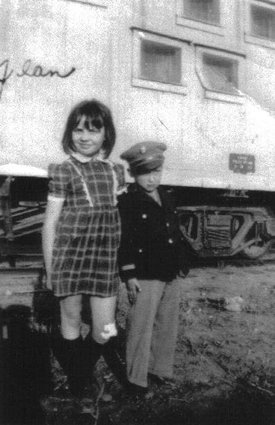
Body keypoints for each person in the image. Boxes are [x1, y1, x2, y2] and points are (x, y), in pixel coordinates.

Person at [42, 99, 126, 400]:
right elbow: (50, 224)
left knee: (105, 328)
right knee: (72, 318)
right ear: (70, 133)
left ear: (106, 133)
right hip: (70, 255)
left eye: (93, 129)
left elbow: (123, 218)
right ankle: (81, 386)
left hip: (104, 256)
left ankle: (78, 372)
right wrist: (51, 270)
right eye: (78, 129)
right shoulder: (62, 170)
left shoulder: (115, 171)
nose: (85, 136)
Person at [118, 141, 189, 395]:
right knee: (141, 327)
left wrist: (181, 263)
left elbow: (174, 234)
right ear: (134, 174)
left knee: (166, 324)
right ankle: (136, 381)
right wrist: (129, 274)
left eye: (156, 172)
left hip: (169, 271)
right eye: (145, 173)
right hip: (146, 274)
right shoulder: (129, 202)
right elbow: (124, 240)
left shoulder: (167, 197)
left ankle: (160, 370)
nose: (152, 178)